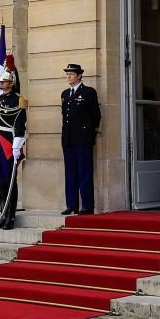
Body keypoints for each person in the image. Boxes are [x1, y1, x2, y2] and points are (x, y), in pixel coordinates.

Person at [0, 54, 27, 230]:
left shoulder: (20, 100)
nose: (1, 85)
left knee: (11, 179)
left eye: (4, 82)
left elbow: (20, 123)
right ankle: (3, 214)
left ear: (12, 83)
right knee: (1, 179)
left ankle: (11, 216)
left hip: (10, 143)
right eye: (1, 83)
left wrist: (17, 143)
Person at [61, 63, 100, 215]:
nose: (68, 76)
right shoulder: (65, 94)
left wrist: (90, 134)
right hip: (68, 139)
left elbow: (96, 115)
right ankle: (72, 204)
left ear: (79, 76)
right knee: (70, 172)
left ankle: (87, 206)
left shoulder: (89, 92)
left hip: (83, 139)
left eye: (71, 74)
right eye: (67, 74)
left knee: (84, 172)